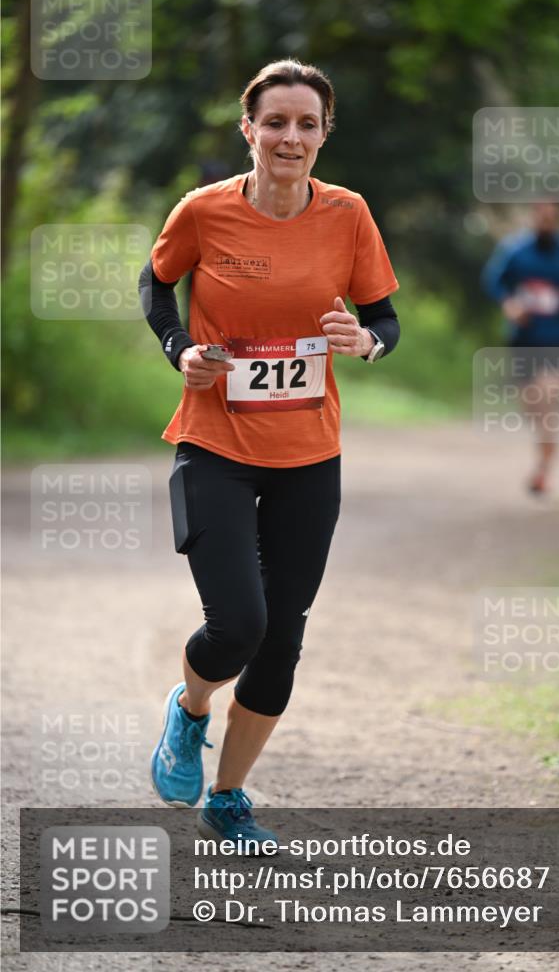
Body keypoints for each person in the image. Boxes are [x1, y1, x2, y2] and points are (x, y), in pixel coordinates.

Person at [138, 59, 400, 846]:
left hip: (309, 456)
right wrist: (180, 348)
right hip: (214, 441)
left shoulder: (348, 214)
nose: (291, 137)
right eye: (276, 121)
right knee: (238, 626)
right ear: (248, 129)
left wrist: (364, 341)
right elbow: (155, 283)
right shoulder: (204, 210)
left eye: (306, 124)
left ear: (323, 135)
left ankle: (227, 797)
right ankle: (189, 710)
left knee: (282, 637)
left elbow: (384, 319)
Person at [482, 202, 559, 494]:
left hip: (558, 340)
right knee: (532, 406)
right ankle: (544, 453)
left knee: (548, 399)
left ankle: (543, 469)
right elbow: (493, 282)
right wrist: (509, 303)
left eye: (552, 217)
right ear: (533, 218)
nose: (546, 222)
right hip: (523, 339)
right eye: (541, 217)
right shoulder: (515, 250)